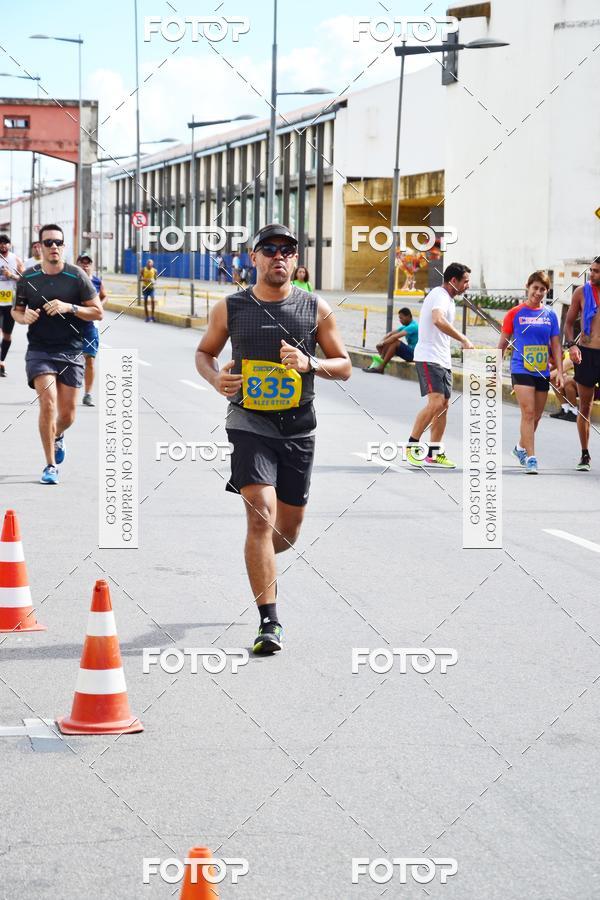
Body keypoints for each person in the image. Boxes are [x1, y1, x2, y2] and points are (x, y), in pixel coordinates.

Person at [195, 223, 351, 655]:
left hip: (299, 427)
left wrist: (309, 363)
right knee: (259, 514)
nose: (278, 256)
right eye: (269, 249)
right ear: (254, 258)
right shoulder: (231, 307)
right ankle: (269, 622)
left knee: (287, 532)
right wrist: (215, 380)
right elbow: (205, 352)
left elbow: (345, 364)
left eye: (287, 250)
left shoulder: (314, 308)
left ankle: (257, 560)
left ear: (296, 260)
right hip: (249, 422)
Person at [12, 224, 103, 484]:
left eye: (58, 243)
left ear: (63, 247)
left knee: (67, 415)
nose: (53, 247)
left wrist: (70, 306)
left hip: (71, 351)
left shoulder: (77, 277)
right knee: (48, 402)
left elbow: (98, 312)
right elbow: (16, 311)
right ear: (39, 247)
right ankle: (50, 465)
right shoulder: (28, 278)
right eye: (48, 242)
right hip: (40, 350)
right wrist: (23, 316)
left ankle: (58, 434)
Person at [406, 263, 474, 469]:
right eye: (466, 281)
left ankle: (434, 453)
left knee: (443, 407)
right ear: (454, 281)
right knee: (435, 403)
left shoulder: (449, 300)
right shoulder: (439, 295)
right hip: (429, 357)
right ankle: (412, 446)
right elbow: (437, 319)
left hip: (442, 359)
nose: (468, 286)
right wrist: (463, 339)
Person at [498, 271, 563, 475]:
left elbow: (556, 345)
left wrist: (560, 371)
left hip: (542, 370)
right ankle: (531, 458)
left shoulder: (550, 314)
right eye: (535, 288)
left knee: (536, 417)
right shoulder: (515, 313)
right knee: (527, 413)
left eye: (542, 289)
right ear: (527, 287)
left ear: (547, 291)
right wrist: (495, 369)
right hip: (520, 367)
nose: (538, 292)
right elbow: (502, 344)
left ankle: (520, 448)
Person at [564, 257, 600, 471]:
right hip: (585, 354)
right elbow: (569, 323)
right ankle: (585, 454)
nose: (592, 274)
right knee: (584, 406)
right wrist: (572, 345)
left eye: (596, 271)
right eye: (591, 270)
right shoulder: (581, 292)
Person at [76, 253, 107, 406]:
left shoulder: (96, 281)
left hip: (90, 325)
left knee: (90, 359)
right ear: (77, 264)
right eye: (82, 262)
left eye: (88, 263)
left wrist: (99, 306)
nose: (85, 265)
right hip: (72, 325)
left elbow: (104, 295)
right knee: (68, 360)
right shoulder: (71, 280)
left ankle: (87, 394)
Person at [364, 307, 419, 373]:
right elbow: (390, 334)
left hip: (415, 355)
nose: (400, 320)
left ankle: (381, 367)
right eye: (399, 318)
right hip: (410, 353)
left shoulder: (413, 326)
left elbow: (395, 337)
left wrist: (383, 344)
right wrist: (381, 341)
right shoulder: (406, 326)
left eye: (401, 318)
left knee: (395, 342)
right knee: (391, 342)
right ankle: (378, 365)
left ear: (408, 316)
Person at [0, 234, 24, 377]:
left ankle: (2, 360)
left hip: (10, 303)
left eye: (5, 243)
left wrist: (11, 275)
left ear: (9, 244)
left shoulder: (16, 259)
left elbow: (24, 279)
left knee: (7, 336)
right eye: (0, 243)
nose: (3, 245)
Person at [549, 350, 578, 422]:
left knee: (567, 381)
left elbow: (553, 373)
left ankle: (574, 412)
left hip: (589, 387)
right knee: (555, 379)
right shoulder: (564, 355)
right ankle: (565, 408)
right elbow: (552, 373)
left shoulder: (573, 355)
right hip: (575, 385)